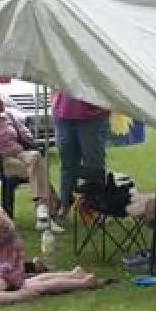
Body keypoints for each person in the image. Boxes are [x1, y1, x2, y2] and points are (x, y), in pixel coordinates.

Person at [0, 87, 62, 232]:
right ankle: (45, 213)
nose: (2, 102)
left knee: (36, 158)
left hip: (18, 154)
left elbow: (25, 134)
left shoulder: (8, 116)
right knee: (38, 170)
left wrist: (26, 134)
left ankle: (43, 211)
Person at [52, 90, 110, 219]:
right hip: (63, 113)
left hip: (93, 114)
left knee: (94, 165)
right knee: (68, 163)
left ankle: (94, 205)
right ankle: (66, 203)